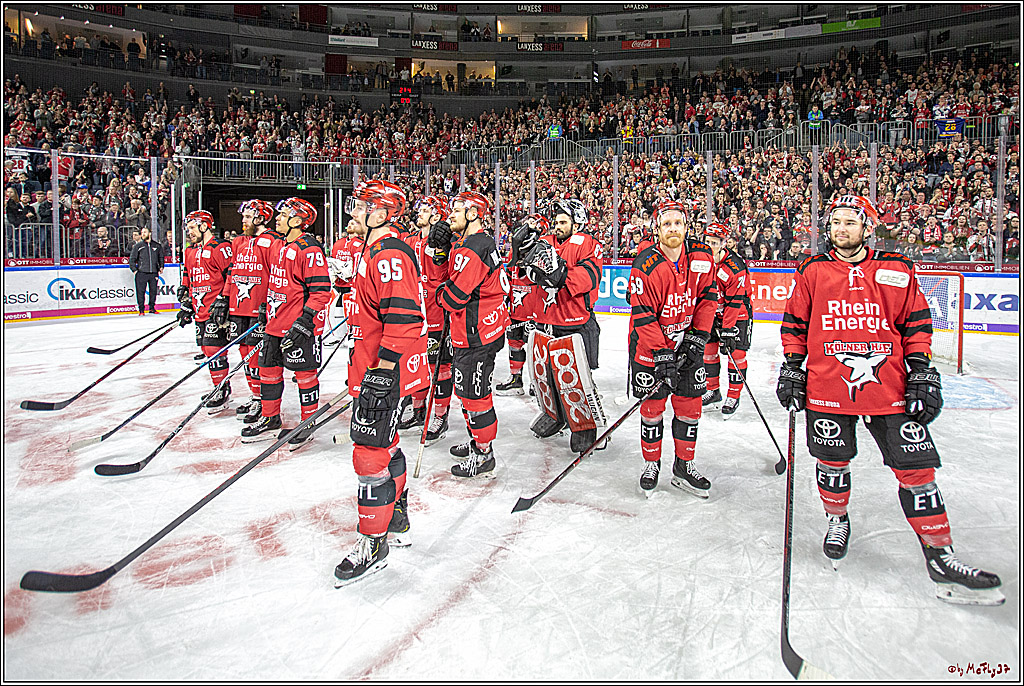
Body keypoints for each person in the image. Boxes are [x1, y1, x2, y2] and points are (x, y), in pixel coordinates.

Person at [776, 194, 1003, 605]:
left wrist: (923, 372)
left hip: (891, 389)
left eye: (850, 221)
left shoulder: (896, 269)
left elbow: (916, 323)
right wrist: (792, 367)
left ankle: (940, 555)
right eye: (835, 222)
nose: (841, 229)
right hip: (828, 386)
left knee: (917, 469)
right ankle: (837, 519)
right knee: (832, 459)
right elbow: (795, 321)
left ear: (867, 226)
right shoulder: (813, 269)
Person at [335, 180, 428, 587]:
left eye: (361, 206)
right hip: (378, 365)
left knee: (369, 454)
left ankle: (373, 543)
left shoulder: (388, 252)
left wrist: (382, 371)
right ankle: (397, 516)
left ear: (381, 213)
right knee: (387, 445)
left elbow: (404, 317)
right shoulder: (374, 250)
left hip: (384, 369)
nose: (353, 210)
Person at [627, 200, 718, 498]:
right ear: (657, 229)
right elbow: (642, 314)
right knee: (652, 408)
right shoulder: (646, 265)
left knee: (690, 407)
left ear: (686, 226)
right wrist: (661, 353)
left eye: (678, 223)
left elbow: (707, 298)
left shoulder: (703, 256)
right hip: (649, 348)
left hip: (688, 343)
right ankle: (651, 463)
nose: (673, 229)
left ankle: (684, 465)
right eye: (667, 224)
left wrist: (698, 336)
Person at [429, 190, 509, 478]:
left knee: (476, 396)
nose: (450, 214)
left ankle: (484, 454)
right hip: (476, 329)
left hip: (477, 333)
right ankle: (477, 440)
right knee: (466, 392)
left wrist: (435, 291)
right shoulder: (474, 243)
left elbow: (452, 297)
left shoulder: (472, 247)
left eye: (458, 209)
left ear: (473, 214)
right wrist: (440, 254)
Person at [241, 198, 331, 446]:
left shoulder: (309, 249)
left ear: (297, 220)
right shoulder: (280, 246)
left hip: (297, 327)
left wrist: (305, 321)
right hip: (274, 324)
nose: (277, 218)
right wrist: (264, 309)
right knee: (268, 371)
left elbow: (322, 291)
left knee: (305, 375)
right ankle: (270, 417)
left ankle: (307, 421)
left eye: (283, 215)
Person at [519, 198, 605, 453]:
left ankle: (585, 427)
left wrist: (563, 273)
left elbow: (589, 277)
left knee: (576, 380)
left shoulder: (587, 244)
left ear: (577, 223)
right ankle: (555, 416)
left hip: (575, 322)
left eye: (563, 222)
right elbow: (529, 272)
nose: (557, 226)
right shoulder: (546, 241)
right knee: (545, 377)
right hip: (546, 321)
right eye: (555, 221)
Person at [221, 199, 278, 422]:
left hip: (259, 309)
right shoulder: (239, 242)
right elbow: (232, 272)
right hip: (239, 307)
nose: (242, 220)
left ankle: (264, 400)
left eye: (247, 217)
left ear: (260, 218)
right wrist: (224, 299)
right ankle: (255, 396)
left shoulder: (273, 241)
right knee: (245, 354)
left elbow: (277, 275)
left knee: (257, 356)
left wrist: (269, 304)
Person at [397, 194, 450, 434]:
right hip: (412, 315)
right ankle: (418, 410)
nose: (419, 212)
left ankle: (440, 415)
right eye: (419, 208)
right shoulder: (408, 240)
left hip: (437, 315)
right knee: (414, 365)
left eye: (425, 209)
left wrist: (444, 249)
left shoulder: (444, 241)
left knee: (439, 367)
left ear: (437, 216)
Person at [176, 211, 234, 409]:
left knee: (213, 349)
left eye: (192, 228)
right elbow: (188, 274)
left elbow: (231, 275)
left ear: (204, 226)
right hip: (200, 306)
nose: (189, 232)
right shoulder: (190, 250)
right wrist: (185, 296)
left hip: (216, 309)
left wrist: (224, 300)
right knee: (206, 349)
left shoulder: (220, 247)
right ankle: (220, 385)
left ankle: (221, 389)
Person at [700, 222, 753, 418]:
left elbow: (735, 302)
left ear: (723, 243)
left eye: (714, 242)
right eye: (707, 241)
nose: (710, 246)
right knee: (708, 352)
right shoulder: (701, 261)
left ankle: (733, 395)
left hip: (737, 314)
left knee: (736, 354)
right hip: (713, 313)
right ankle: (713, 391)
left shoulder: (735, 267)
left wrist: (728, 329)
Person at [496, 213, 548, 396]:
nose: (527, 227)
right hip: (516, 306)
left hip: (535, 309)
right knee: (514, 342)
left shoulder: (543, 249)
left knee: (536, 346)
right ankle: (515, 380)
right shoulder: (514, 250)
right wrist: (505, 298)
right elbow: (509, 275)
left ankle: (537, 382)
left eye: (533, 224)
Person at [128, 226, 164, 315]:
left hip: (153, 272)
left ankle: (152, 308)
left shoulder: (157, 246)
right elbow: (132, 259)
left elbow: (161, 257)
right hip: (141, 273)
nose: (143, 234)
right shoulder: (138, 246)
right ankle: (141, 309)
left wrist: (161, 266)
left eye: (145, 232)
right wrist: (135, 270)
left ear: (150, 233)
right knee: (140, 292)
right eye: (142, 232)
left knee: (153, 291)